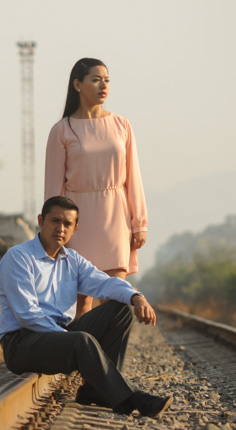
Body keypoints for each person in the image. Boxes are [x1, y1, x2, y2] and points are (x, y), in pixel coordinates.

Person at [0, 196, 171, 417]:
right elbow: (27, 315)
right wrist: (68, 338)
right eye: (55, 221)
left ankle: (95, 391)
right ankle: (133, 398)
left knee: (121, 311)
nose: (60, 228)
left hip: (58, 336)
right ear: (41, 220)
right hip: (21, 343)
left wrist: (136, 296)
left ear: (75, 228)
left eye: (67, 224)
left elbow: (105, 283)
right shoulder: (19, 257)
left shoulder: (73, 260)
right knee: (81, 340)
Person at [45, 58, 148, 318]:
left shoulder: (121, 125)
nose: (104, 85)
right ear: (77, 85)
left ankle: (111, 358)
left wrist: (139, 223)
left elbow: (133, 177)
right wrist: (53, 228)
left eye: (107, 80)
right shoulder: (62, 130)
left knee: (116, 298)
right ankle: (84, 356)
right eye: (96, 79)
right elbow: (53, 189)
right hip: (77, 222)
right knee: (82, 303)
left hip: (115, 216)